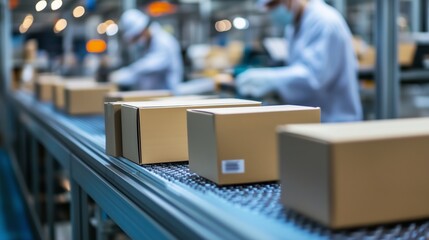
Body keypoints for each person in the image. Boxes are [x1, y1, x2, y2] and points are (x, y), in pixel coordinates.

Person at [237, 0, 362, 122]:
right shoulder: (293, 27)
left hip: (336, 120)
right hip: (312, 120)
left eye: (275, 3)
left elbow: (313, 78)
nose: (273, 11)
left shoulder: (324, 21)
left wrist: (268, 80)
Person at [110, 9, 183, 91]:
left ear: (143, 29)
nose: (137, 41)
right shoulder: (148, 44)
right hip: (152, 96)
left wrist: (121, 75)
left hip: (168, 96)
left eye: (137, 37)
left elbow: (145, 68)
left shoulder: (163, 42)